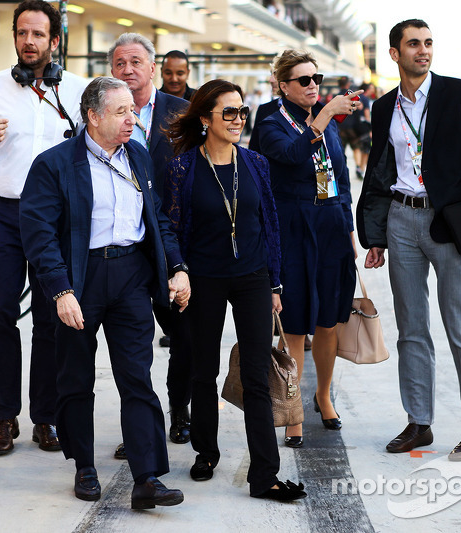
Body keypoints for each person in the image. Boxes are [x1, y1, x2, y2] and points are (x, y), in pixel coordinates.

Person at [20, 76, 190, 509]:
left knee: (137, 377)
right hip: (80, 279)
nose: (132, 119)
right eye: (121, 112)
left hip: (131, 275)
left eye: (133, 110)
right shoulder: (55, 164)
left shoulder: (138, 155)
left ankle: (147, 476)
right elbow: (38, 234)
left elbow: (158, 220)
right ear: (93, 117)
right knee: (76, 378)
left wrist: (177, 266)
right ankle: (84, 466)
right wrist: (60, 290)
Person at [357, 19, 461, 460]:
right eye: (413, 44)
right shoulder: (384, 107)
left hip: (448, 222)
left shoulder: (460, 95)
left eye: (428, 43)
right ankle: (419, 423)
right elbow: (381, 172)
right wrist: (377, 233)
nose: (423, 51)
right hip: (402, 218)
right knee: (411, 329)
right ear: (394, 53)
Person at [164, 79, 306, 502]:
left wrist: (274, 282)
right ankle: (206, 451)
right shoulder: (184, 168)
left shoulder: (256, 164)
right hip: (204, 279)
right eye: (229, 112)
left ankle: (265, 474)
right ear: (206, 118)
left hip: (252, 279)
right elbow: (171, 228)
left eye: (242, 111)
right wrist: (179, 270)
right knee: (203, 370)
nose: (238, 119)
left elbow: (271, 227)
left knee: (258, 376)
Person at [0, 0, 87, 457]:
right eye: (21, 33)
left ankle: (45, 418)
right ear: (14, 37)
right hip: (3, 214)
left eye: (37, 35)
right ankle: (4, 416)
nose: (28, 42)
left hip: (57, 220)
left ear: (55, 41)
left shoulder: (77, 91)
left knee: (53, 320)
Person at [258, 49, 361, 447]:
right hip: (294, 229)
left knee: (330, 320)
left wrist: (348, 227)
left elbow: (340, 177)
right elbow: (291, 156)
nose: (313, 85)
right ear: (284, 86)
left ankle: (323, 395)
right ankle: (294, 407)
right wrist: (323, 117)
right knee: (296, 324)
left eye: (316, 78)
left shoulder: (327, 125)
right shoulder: (271, 124)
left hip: (330, 225)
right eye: (304, 80)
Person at [109, 32, 191, 454]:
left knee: (183, 337)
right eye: (120, 63)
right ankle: (139, 429)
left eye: (136, 62)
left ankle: (180, 412)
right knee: (132, 348)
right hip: (126, 248)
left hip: (174, 246)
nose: (128, 70)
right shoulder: (104, 114)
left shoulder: (182, 113)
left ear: (152, 67)